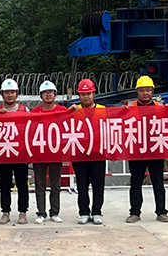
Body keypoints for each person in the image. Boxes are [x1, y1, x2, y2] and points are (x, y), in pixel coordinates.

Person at [125, 76, 168, 223]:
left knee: (158, 183)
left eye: (148, 90)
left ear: (152, 92)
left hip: (155, 149)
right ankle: (135, 212)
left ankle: (161, 212)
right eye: (142, 90)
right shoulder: (129, 106)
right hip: (137, 150)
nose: (145, 93)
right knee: (136, 182)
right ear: (137, 92)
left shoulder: (160, 106)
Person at [69, 79, 106, 225]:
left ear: (94, 94)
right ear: (79, 95)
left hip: (98, 153)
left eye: (88, 93)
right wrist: (68, 112)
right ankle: (84, 212)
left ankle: (96, 211)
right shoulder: (74, 110)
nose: (86, 97)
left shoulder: (103, 110)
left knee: (98, 185)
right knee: (82, 185)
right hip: (80, 154)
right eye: (83, 94)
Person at [0, 78, 29, 225]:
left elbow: (31, 130)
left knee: (22, 184)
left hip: (20, 153)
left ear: (17, 94)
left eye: (12, 92)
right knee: (4, 184)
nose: (10, 95)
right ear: (2, 94)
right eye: (6, 92)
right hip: (3, 153)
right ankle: (5, 212)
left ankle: (23, 212)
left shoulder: (24, 110)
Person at [30, 80, 67, 224]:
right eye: (45, 93)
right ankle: (41, 213)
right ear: (41, 95)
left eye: (50, 92)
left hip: (56, 152)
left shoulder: (62, 110)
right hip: (39, 153)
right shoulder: (34, 112)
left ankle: (54, 212)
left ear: (55, 95)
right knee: (40, 184)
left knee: (55, 184)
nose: (48, 95)